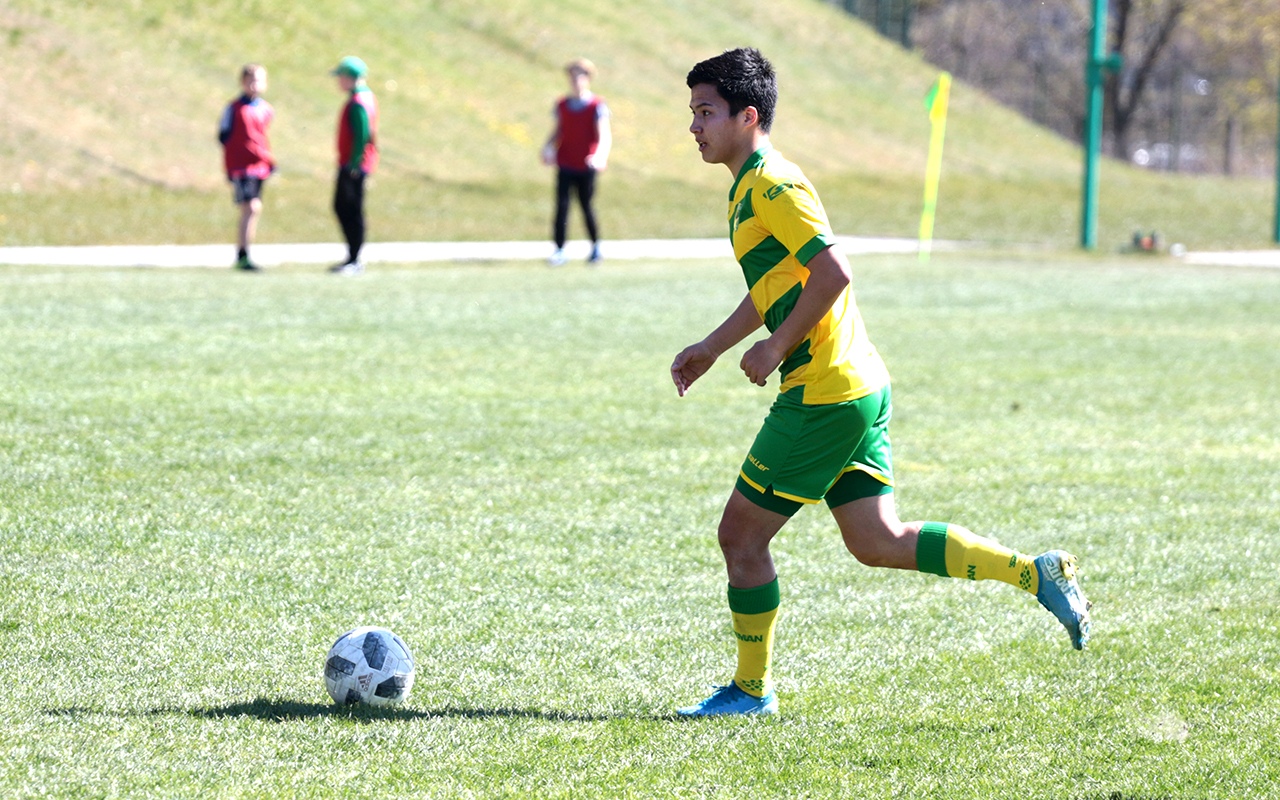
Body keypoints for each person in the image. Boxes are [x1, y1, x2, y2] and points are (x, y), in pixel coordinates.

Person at [670, 48, 1092, 718]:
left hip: (824, 393)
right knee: (877, 542)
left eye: (705, 112)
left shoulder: (773, 184)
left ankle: (750, 691)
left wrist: (777, 345)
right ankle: (1033, 572)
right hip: (856, 385)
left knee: (740, 538)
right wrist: (713, 347)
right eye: (692, 112)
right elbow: (777, 283)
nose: (694, 127)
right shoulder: (746, 187)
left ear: (748, 116)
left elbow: (833, 272)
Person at [541, 58, 611, 266]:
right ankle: (559, 249)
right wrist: (547, 147)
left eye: (579, 76)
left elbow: (604, 135)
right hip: (565, 161)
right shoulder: (562, 104)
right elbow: (558, 131)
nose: (575, 80)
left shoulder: (597, 105)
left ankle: (595, 247)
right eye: (572, 76)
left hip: (586, 164)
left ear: (587, 78)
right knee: (562, 206)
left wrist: (599, 156)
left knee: (586, 205)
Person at [218, 64, 274, 272]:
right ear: (242, 82)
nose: (255, 85)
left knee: (253, 209)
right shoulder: (233, 108)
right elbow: (224, 136)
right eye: (251, 80)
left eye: (259, 80)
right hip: (242, 167)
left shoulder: (266, 109)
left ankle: (245, 252)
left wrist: (266, 160)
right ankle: (243, 255)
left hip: (260, 166)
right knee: (251, 207)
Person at [329, 56, 378, 276]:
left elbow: (362, 134)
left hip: (354, 165)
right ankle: (352, 256)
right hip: (355, 163)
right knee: (344, 207)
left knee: (349, 208)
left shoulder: (358, 101)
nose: (339, 81)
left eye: (341, 76)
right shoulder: (365, 97)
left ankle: (355, 258)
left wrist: (354, 163)